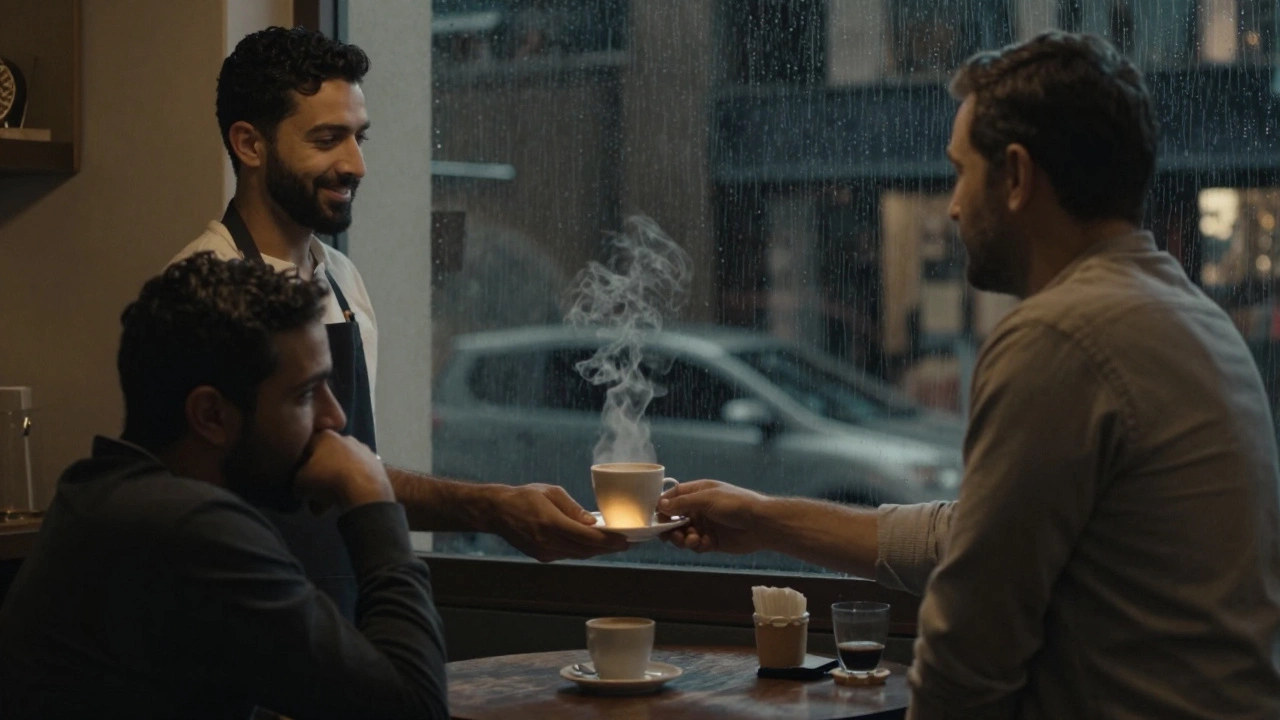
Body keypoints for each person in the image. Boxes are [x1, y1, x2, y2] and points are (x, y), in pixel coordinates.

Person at [660, 32, 1280, 719]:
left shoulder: (1060, 335)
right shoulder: (1190, 317)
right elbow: (977, 539)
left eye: (960, 171)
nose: (953, 205)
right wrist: (766, 519)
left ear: (1015, 176)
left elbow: (969, 652)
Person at [172, 26, 626, 616]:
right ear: (250, 145)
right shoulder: (201, 288)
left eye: (360, 138)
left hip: (345, 612)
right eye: (328, 139)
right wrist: (490, 507)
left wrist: (501, 508)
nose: (356, 164)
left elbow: (354, 473)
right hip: (247, 619)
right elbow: (255, 486)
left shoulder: (341, 279)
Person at [0, 253, 448, 719]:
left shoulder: (99, 490)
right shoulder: (187, 528)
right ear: (212, 415)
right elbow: (414, 707)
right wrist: (371, 498)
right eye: (305, 394)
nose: (335, 417)